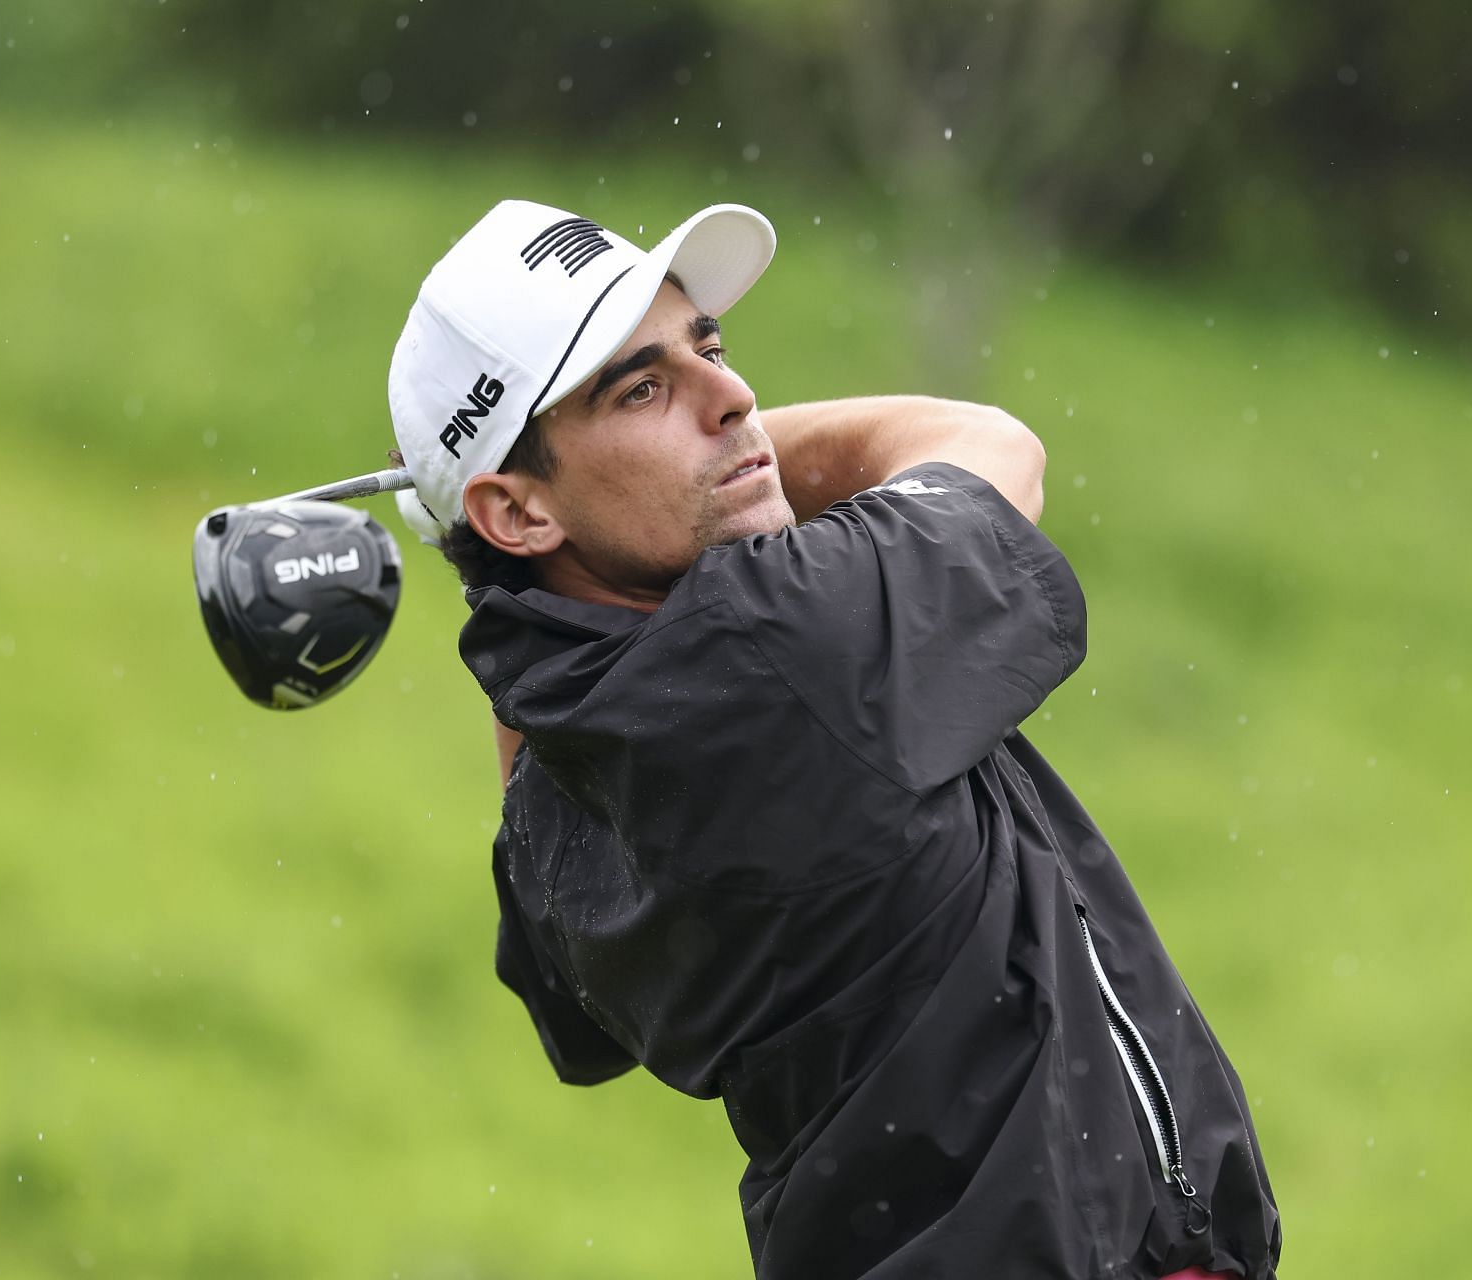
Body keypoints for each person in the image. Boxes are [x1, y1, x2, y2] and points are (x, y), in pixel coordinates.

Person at [386, 200, 1283, 1279]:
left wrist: (498, 567)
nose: (735, 397)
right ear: (521, 512)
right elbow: (989, 446)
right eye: (643, 388)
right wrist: (738, 460)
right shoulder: (782, 641)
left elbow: (575, 1022)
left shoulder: (554, 794)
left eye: (709, 347)